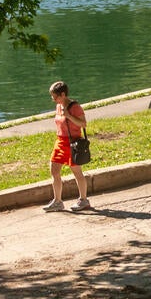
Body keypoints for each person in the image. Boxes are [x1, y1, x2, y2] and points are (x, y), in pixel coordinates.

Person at [43, 81, 91, 212]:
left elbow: (83, 124)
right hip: (60, 142)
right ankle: (57, 201)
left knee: (77, 172)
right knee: (54, 170)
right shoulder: (58, 106)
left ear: (63, 94)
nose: (53, 99)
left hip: (72, 143)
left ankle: (84, 200)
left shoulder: (74, 107)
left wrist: (69, 116)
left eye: (55, 96)